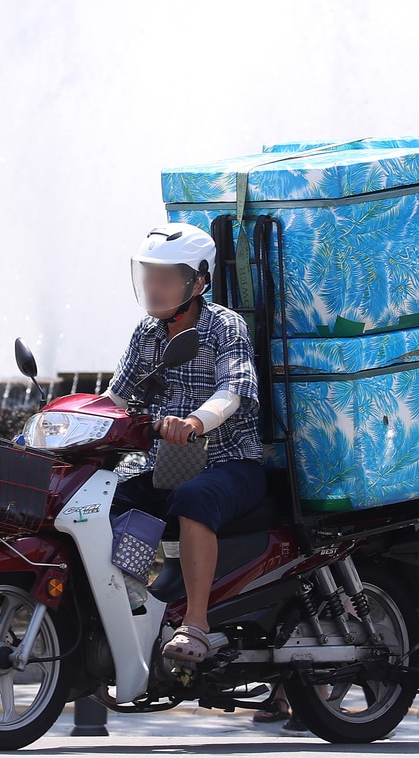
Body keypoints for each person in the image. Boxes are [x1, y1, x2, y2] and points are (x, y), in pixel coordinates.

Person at [105, 222, 266, 663]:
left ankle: (195, 625)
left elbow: (234, 390)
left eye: (166, 278)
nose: (153, 288)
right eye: (147, 276)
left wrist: (195, 422)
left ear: (198, 281)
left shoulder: (223, 326)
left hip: (230, 463)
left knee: (193, 499)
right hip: (162, 465)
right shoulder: (147, 333)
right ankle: (134, 604)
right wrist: (69, 422)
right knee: (104, 503)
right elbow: (116, 397)